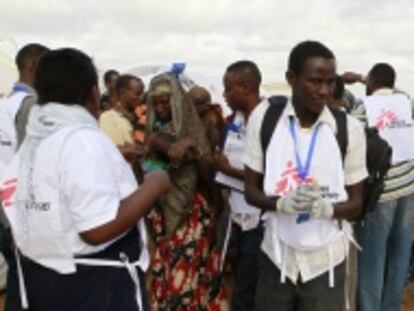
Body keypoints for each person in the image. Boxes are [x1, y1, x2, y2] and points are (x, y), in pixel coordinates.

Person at [0, 48, 170, 311]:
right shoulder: (82, 139)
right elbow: (96, 229)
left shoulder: (36, 140)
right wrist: (155, 184)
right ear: (93, 93)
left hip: (47, 279)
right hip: (94, 287)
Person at [243, 40, 367, 311]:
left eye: (330, 82)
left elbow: (357, 205)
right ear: (291, 78)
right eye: (314, 81)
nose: (324, 91)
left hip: (327, 260)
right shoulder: (265, 119)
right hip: (277, 255)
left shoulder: (349, 128)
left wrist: (327, 208)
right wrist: (278, 203)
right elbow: (250, 192)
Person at [144, 73, 229, 309]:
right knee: (174, 272)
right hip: (162, 212)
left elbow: (208, 176)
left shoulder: (196, 129)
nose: (161, 108)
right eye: (156, 103)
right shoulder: (155, 131)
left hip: (190, 213)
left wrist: (193, 147)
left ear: (178, 102)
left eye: (166, 102)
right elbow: (154, 147)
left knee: (187, 275)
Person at [353, 63, 414, 311]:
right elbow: (398, 91)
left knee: (372, 258)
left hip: (382, 191)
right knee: (400, 253)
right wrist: (367, 79)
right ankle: (390, 307)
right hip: (409, 188)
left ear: (371, 82)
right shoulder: (405, 102)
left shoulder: (363, 108)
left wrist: (359, 78)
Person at [0, 43, 49, 311]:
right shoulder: (30, 106)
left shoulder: (5, 104)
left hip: (4, 213)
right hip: (18, 215)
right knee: (27, 288)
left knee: (16, 282)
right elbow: (31, 164)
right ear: (32, 65)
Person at [214, 60, 263, 310]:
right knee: (241, 282)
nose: (224, 96)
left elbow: (270, 176)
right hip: (238, 215)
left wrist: (228, 170)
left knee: (247, 291)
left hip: (261, 218)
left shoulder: (268, 121)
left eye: (228, 89)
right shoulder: (235, 120)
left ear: (245, 87)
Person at [100, 74, 144, 163]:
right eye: (137, 94)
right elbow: (117, 150)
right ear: (122, 93)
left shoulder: (142, 116)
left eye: (142, 93)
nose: (141, 97)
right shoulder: (109, 118)